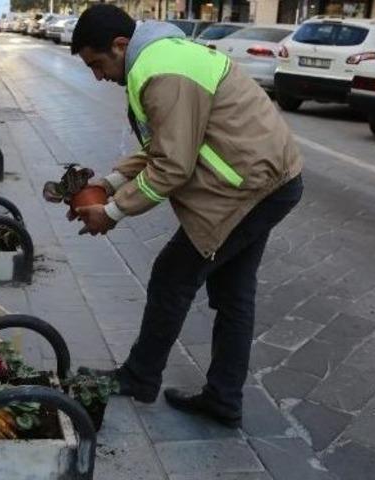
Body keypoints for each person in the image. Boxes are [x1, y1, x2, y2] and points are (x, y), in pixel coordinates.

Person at [70, 5, 303, 428]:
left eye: (98, 64)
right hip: (267, 178)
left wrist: (112, 212)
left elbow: (173, 166)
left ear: (121, 45)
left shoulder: (161, 73)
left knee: (173, 274)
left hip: (250, 188)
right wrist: (108, 180)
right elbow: (167, 139)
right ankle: (223, 399)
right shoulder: (162, 56)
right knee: (233, 292)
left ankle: (141, 377)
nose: (98, 76)